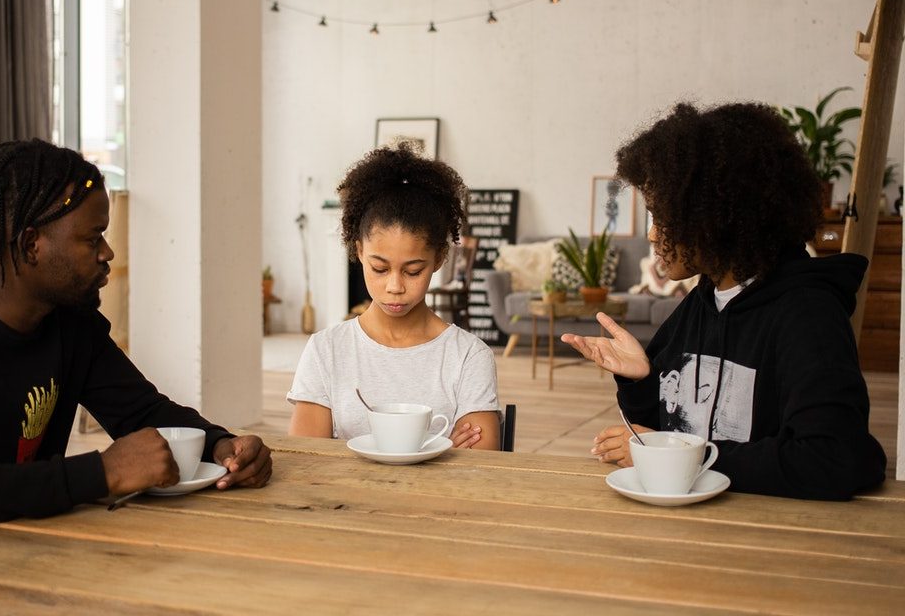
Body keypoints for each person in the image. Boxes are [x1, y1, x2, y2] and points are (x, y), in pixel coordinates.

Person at [0, 139, 272, 539]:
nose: (108, 252)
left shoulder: (70, 321)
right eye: (92, 238)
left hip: (23, 546)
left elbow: (140, 411)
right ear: (31, 244)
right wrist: (98, 473)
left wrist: (220, 445)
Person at [562, 102, 886, 500]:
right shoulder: (702, 303)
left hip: (765, 530)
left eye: (661, 216)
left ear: (715, 217)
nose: (652, 234)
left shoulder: (807, 315)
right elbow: (667, 431)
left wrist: (688, 458)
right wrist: (640, 381)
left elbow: (832, 458)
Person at [288, 143, 501, 449]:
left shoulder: (468, 356)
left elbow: (480, 464)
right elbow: (307, 458)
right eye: (379, 268)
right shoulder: (326, 351)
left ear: (439, 258)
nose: (395, 286)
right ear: (359, 251)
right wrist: (440, 449)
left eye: (413, 271)